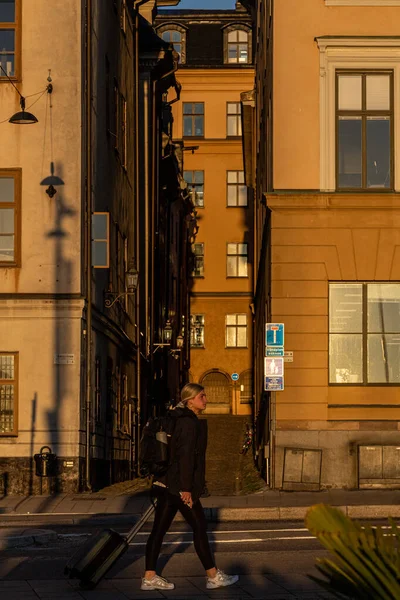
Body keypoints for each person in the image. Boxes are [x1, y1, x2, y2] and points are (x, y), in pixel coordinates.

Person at [141, 383, 239, 592]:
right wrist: (186, 489)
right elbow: (185, 457)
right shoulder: (188, 423)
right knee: (200, 528)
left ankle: (149, 577)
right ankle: (212, 576)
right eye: (202, 396)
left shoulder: (177, 418)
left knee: (159, 530)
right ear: (190, 400)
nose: (206, 399)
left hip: (165, 482)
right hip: (178, 486)